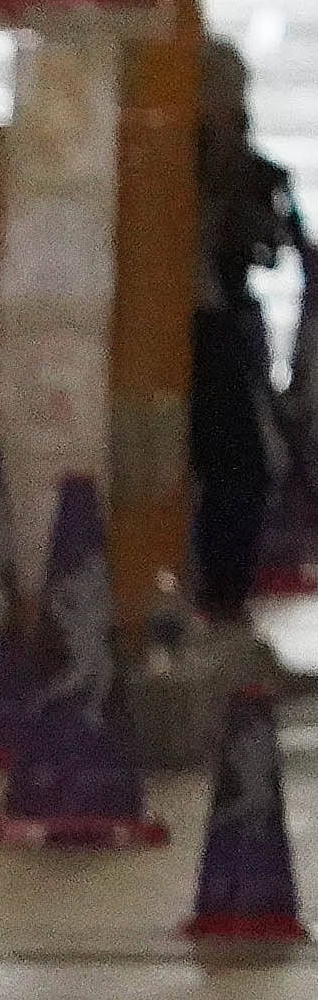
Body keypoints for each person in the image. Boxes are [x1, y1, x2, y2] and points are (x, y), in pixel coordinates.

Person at [191, 39, 302, 628]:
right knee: (238, 464)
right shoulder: (191, 158)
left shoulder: (233, 168)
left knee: (238, 464)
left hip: (221, 320)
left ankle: (219, 598)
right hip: (206, 323)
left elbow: (263, 245)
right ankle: (220, 601)